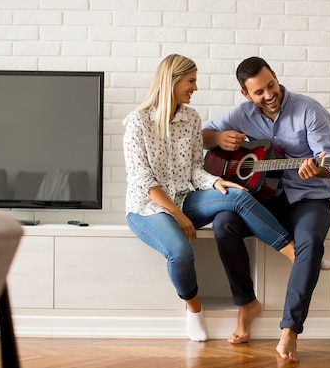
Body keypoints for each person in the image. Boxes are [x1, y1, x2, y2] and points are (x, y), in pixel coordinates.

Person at [123, 54, 297, 342]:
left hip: (185, 197)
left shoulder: (191, 118)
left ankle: (294, 252)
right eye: (191, 81)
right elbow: (144, 181)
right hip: (148, 208)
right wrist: (179, 217)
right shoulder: (138, 122)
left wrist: (216, 182)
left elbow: (194, 168)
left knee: (236, 195)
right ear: (173, 81)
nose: (195, 87)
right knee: (180, 253)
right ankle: (194, 311)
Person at [202, 57, 330, 362]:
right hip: (265, 199)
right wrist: (218, 138)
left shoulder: (309, 109)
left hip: (309, 199)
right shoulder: (241, 114)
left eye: (271, 86)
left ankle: (290, 331)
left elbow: (329, 162)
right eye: (259, 92)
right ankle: (246, 304)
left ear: (276, 77)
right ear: (245, 95)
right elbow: (201, 136)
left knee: (309, 243)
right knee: (224, 222)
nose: (268, 95)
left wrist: (318, 169)